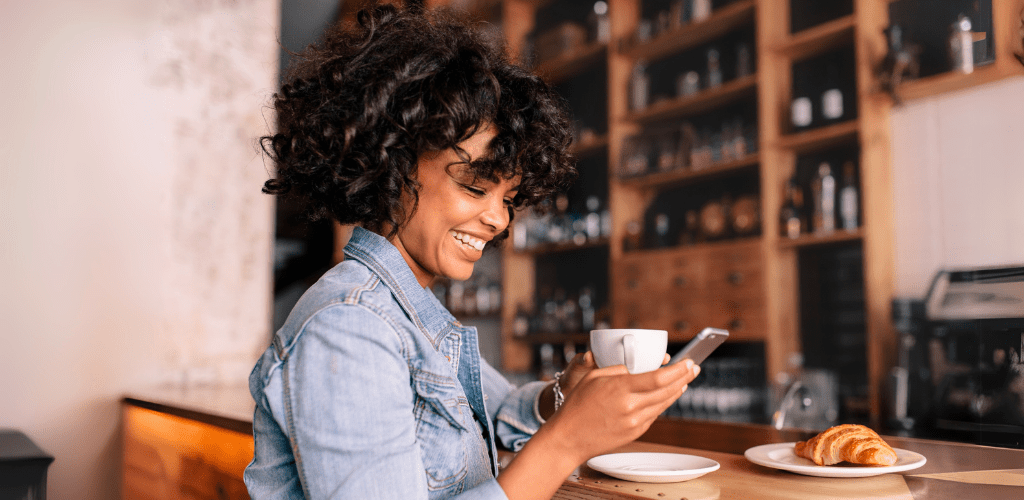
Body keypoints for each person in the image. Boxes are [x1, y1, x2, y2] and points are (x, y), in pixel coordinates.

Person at [245, 4, 701, 499]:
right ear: (393, 166)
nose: (500, 219)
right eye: (475, 186)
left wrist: (563, 397)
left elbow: (499, 412)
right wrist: (566, 441)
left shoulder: (414, 317)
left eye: (507, 199)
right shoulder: (350, 328)